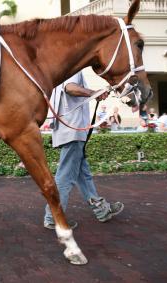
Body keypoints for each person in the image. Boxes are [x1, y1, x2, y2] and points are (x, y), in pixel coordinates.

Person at [44, 71, 124, 230]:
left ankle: (101, 209)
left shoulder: (64, 68)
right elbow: (70, 87)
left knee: (83, 174)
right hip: (73, 131)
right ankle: (52, 217)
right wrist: (93, 93)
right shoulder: (72, 68)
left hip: (72, 130)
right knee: (65, 176)